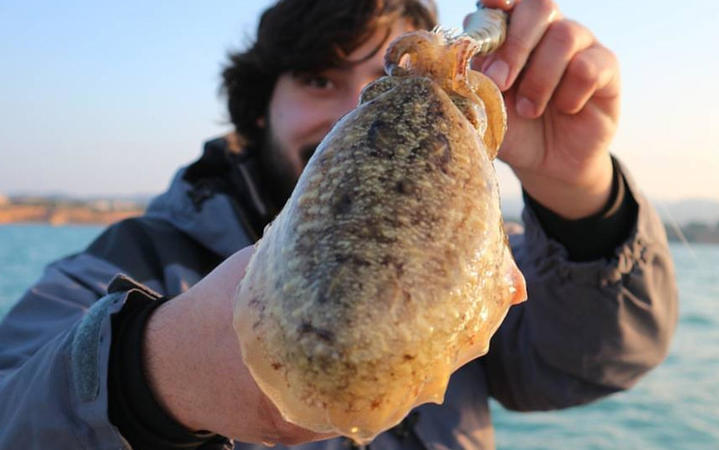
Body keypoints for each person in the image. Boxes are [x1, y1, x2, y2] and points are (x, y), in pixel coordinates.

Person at [0, 0, 678, 448]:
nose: (356, 105)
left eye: (382, 72)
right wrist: (150, 375)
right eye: (320, 80)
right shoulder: (130, 262)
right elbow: (15, 404)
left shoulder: (488, 266)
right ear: (259, 108)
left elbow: (590, 363)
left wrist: (577, 190)